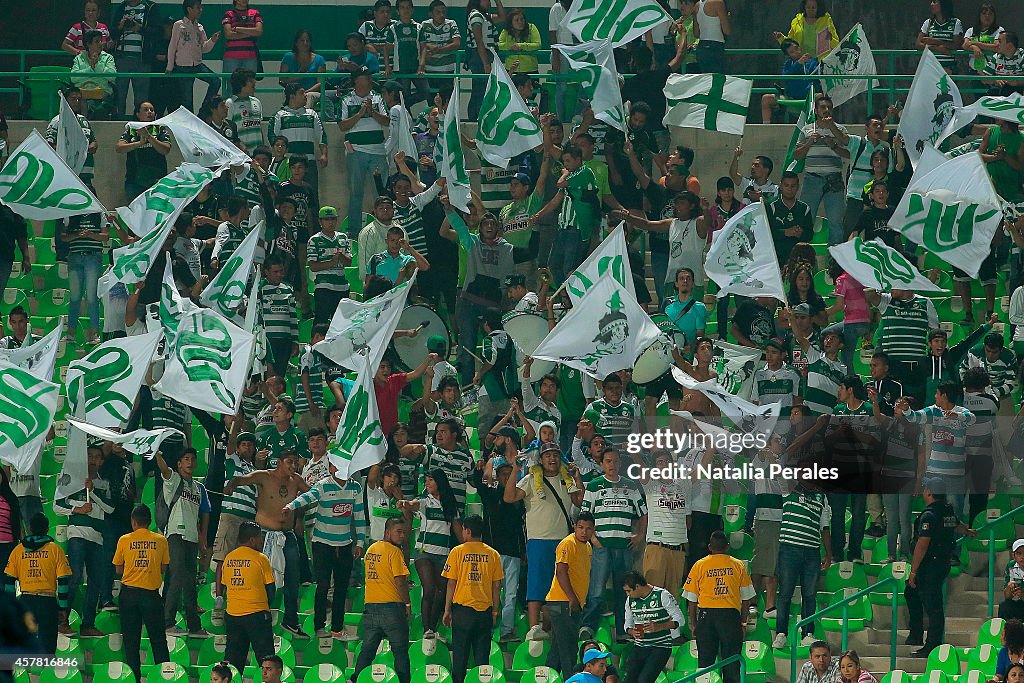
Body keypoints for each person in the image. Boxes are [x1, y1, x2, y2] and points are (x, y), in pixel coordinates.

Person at [224, 449, 310, 639]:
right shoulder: (264, 476)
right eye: (289, 461)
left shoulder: (296, 480)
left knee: (293, 577)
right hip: (262, 535)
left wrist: (299, 512)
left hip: (287, 535)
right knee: (260, 579)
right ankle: (259, 617)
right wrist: (230, 486)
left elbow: (312, 493)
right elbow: (241, 479)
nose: (293, 466)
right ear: (279, 461)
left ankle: (291, 621)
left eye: (295, 462)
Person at [503, 443, 583, 642]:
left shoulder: (567, 479)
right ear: (541, 459)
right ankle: (533, 628)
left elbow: (580, 500)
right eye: (547, 455)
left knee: (557, 586)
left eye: (556, 455)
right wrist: (515, 470)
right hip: (538, 540)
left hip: (562, 541)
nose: (552, 459)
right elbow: (509, 497)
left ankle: (552, 627)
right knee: (536, 586)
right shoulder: (530, 480)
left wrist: (577, 477)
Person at [285, 463, 368, 639]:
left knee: (341, 588)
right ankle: (319, 627)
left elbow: (359, 516)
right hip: (322, 544)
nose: (339, 469)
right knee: (322, 586)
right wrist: (290, 506)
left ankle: (337, 629)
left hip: (344, 544)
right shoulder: (323, 485)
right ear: (330, 468)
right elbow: (308, 497)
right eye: (335, 466)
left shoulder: (356, 487)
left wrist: (360, 542)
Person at [579, 447, 647, 640]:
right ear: (601, 464)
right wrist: (593, 539)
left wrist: (640, 535)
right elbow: (585, 515)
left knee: (623, 590)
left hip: (624, 547)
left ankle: (623, 629)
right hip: (602, 546)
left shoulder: (630, 486)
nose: (612, 465)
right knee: (597, 589)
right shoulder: (594, 486)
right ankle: (587, 627)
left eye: (616, 461)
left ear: (620, 463)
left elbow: (643, 513)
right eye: (608, 461)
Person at [905, 482, 973, 657]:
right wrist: (968, 531)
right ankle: (916, 634)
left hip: (929, 565)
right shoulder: (946, 511)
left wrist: (913, 571)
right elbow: (956, 524)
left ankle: (933, 645)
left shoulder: (929, 515)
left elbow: (922, 544)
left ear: (929, 492)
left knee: (933, 605)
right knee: (911, 592)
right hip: (942, 562)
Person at [54, 444, 113, 637]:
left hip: (98, 537)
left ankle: (88, 624)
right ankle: (62, 620)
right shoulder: (71, 479)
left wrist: (93, 490)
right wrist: (77, 509)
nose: (93, 460)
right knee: (75, 576)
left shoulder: (104, 482)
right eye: (89, 456)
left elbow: (110, 508)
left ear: (102, 461)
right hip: (77, 533)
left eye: (97, 457)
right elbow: (57, 505)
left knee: (96, 581)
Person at [682, 530, 755, 683]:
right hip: (730, 617)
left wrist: (694, 624)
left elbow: (692, 601)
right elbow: (747, 599)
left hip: (706, 617)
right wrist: (743, 623)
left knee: (704, 664)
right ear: (727, 547)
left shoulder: (699, 565)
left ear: (709, 547)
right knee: (731, 662)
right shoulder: (738, 565)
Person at [154, 448, 211, 637]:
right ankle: (166, 622)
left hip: (192, 538)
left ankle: (194, 626)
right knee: (178, 576)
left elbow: (200, 516)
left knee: (189, 582)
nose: (190, 462)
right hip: (175, 535)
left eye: (193, 459)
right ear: (179, 464)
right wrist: (157, 454)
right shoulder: (175, 481)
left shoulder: (198, 488)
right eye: (186, 459)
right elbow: (164, 470)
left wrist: (202, 542)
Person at [398, 470, 460, 639]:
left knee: (442, 592)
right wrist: (405, 503)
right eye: (426, 480)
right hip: (424, 553)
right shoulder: (426, 502)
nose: (427, 483)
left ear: (439, 482)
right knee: (429, 588)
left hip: (444, 554)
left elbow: (457, 530)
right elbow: (413, 504)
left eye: (430, 480)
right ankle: (427, 630)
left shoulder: (450, 505)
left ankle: (433, 628)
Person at [442, 515, 504, 683]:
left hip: (462, 612)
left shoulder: (457, 552)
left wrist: (447, 610)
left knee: (460, 659)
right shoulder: (493, 554)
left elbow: (451, 584)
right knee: (482, 661)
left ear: (467, 531)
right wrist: (495, 611)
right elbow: (496, 587)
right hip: (484, 613)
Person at [113, 505, 170, 682]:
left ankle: (134, 679)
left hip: (129, 595)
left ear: (133, 521)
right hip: (151, 596)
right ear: (150, 522)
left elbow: (118, 569)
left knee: (131, 643)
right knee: (159, 641)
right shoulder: (161, 540)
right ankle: (164, 678)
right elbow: (163, 568)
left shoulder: (124, 539)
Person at [771, 486, 832, 648]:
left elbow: (824, 526)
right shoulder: (788, 489)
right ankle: (781, 634)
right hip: (789, 550)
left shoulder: (821, 496)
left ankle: (807, 634)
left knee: (810, 595)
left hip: (812, 552)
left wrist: (828, 553)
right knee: (785, 593)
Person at [353, 518, 412, 683]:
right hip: (392, 608)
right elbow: (400, 581)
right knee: (400, 651)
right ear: (387, 532)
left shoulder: (371, 549)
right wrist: (407, 604)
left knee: (368, 650)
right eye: (398, 532)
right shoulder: (394, 552)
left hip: (371, 608)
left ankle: (357, 678)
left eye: (404, 532)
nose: (402, 536)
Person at [3, 514, 70, 654]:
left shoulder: (18, 550)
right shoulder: (55, 549)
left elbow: (9, 581)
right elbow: (63, 581)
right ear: (47, 529)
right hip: (48, 601)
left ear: (30, 528)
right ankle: (47, 672)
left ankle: (26, 674)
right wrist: (63, 607)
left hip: (26, 601)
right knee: (49, 645)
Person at [338, 66, 390, 233]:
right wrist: (360, 113)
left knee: (381, 193)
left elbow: (387, 121)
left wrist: (372, 111)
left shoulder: (378, 97)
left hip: (378, 152)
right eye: (365, 76)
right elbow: (342, 126)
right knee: (355, 193)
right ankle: (354, 232)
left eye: (369, 76)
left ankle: (384, 229)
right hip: (356, 152)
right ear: (356, 80)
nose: (369, 79)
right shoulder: (346, 99)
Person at [546, 514, 596, 680]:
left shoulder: (588, 547)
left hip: (573, 602)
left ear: (593, 530)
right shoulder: (568, 543)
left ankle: (546, 677)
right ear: (574, 526)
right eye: (581, 527)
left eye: (588, 528)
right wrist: (572, 598)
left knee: (558, 650)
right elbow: (561, 572)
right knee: (569, 649)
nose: (584, 531)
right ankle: (571, 679)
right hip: (563, 602)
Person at [793, 94, 848, 245]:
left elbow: (849, 152)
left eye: (829, 107)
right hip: (812, 179)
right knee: (806, 219)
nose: (827, 110)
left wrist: (834, 143)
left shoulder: (840, 129)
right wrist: (810, 141)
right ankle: (803, 258)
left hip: (834, 180)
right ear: (816, 111)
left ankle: (835, 263)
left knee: (836, 222)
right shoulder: (807, 129)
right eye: (823, 107)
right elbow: (796, 155)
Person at [222, 522, 276, 672]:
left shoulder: (228, 558)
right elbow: (271, 589)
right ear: (252, 540)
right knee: (267, 662)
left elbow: (226, 586)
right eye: (260, 538)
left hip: (233, 616)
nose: (261, 541)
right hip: (257, 615)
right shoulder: (261, 558)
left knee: (233, 664)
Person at [622, 571, 685, 683]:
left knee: (644, 680)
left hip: (660, 646)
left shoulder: (662, 595)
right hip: (640, 646)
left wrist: (659, 627)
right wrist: (632, 632)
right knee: (628, 680)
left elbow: (680, 619)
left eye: (629, 591)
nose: (628, 595)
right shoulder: (630, 600)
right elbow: (627, 625)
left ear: (637, 586)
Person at [269, 83, 328, 200]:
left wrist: (324, 154)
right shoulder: (279, 115)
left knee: (312, 197)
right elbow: (272, 137)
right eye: (301, 93)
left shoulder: (312, 114)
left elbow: (322, 136)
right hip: (288, 164)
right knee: (286, 197)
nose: (305, 95)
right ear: (292, 96)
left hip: (309, 163)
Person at [165, 0, 221, 112]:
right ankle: (190, 124)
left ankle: (204, 110)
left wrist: (212, 41)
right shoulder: (178, 25)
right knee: (187, 100)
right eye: (198, 7)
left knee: (216, 81)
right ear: (189, 9)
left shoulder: (199, 27)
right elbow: (172, 46)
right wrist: (170, 66)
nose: (201, 10)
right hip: (183, 66)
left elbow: (204, 48)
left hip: (197, 64)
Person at [60, 210, 106, 345]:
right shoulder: (70, 213)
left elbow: (105, 236)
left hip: (93, 256)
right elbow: (63, 236)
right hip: (74, 256)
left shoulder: (100, 214)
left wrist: (91, 235)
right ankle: (71, 333)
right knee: (74, 296)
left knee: (92, 296)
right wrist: (76, 235)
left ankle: (94, 333)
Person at [117, 101, 171, 199]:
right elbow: (119, 148)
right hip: (134, 180)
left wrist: (148, 136)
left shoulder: (160, 129)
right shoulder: (131, 129)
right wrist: (139, 143)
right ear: (138, 114)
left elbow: (165, 150)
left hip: (157, 180)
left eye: (152, 110)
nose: (150, 112)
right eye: (146, 110)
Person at [465, 0, 506, 119]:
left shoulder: (484, 16)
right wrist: (486, 63)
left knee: (484, 88)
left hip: (485, 55)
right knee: (480, 88)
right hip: (479, 56)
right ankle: (474, 117)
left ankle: (480, 116)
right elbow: (479, 41)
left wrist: (497, 1)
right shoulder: (476, 16)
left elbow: (502, 17)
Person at [418, 0, 461, 96]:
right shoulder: (424, 25)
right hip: (429, 70)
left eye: (444, 12)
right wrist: (429, 45)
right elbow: (420, 43)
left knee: (447, 101)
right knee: (432, 101)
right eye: (438, 12)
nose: (442, 15)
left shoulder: (451, 23)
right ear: (430, 14)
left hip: (447, 70)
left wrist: (438, 50)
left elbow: (457, 44)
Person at [71, 30, 118, 117]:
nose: (101, 44)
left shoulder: (108, 58)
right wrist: (90, 69)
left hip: (102, 94)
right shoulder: (79, 58)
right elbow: (73, 78)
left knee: (89, 104)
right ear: (88, 44)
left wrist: (97, 65)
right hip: (82, 93)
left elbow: (112, 76)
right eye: (97, 41)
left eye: (101, 41)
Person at [772, 0, 839, 59]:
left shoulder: (826, 21)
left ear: (818, 8)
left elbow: (837, 44)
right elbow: (790, 43)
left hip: (820, 62)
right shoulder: (796, 21)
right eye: (808, 7)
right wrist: (780, 38)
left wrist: (830, 39)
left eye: (813, 7)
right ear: (804, 7)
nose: (810, 10)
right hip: (802, 61)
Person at [278, 30, 328, 107]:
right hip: (293, 92)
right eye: (302, 41)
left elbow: (320, 83)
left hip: (312, 93)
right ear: (296, 43)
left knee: (309, 96)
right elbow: (282, 79)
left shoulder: (319, 59)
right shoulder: (288, 57)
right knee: (294, 96)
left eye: (307, 41)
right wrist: (298, 76)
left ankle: (306, 116)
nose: (305, 43)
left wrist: (306, 92)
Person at [916, 0, 964, 74]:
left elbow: (956, 45)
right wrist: (937, 49)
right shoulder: (928, 22)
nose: (931, 4)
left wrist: (935, 41)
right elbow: (918, 44)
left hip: (949, 68)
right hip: (931, 67)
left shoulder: (955, 22)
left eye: (934, 2)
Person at [226, 68, 264, 152]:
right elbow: (227, 130)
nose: (254, 82)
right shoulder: (230, 103)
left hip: (258, 154)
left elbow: (259, 128)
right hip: (241, 154)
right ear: (241, 84)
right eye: (250, 80)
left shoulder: (256, 102)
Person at [221, 0, 262, 75]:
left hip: (251, 56)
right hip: (231, 57)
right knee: (232, 85)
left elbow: (259, 31)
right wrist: (251, 33)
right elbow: (228, 35)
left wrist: (237, 29)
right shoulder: (228, 14)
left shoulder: (255, 13)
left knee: (249, 84)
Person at [499, 9, 541, 73]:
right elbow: (499, 45)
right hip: (511, 69)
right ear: (511, 22)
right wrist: (510, 46)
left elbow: (537, 45)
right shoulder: (506, 31)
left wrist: (521, 46)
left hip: (530, 69)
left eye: (522, 19)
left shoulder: (531, 27)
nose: (520, 22)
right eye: (516, 20)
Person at [693, 0, 729, 73]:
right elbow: (727, 30)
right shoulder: (718, 2)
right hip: (715, 45)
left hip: (701, 46)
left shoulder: (697, 5)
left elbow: (696, 33)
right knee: (717, 78)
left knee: (705, 78)